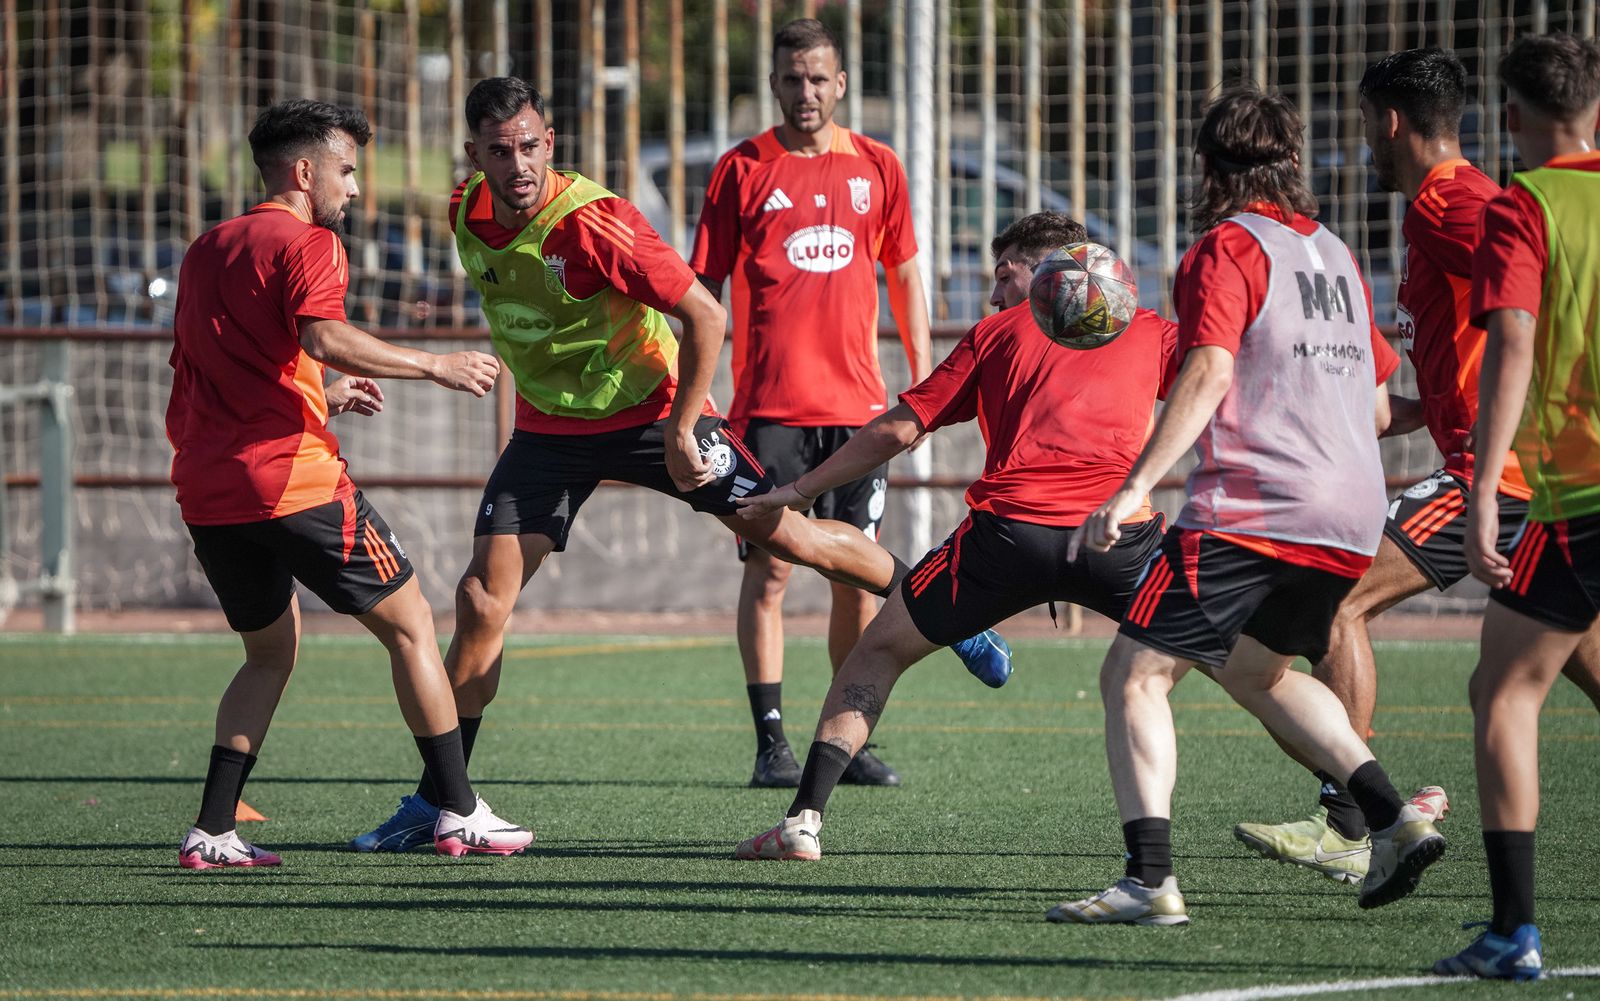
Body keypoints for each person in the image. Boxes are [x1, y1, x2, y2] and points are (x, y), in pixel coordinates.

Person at [349, 77, 1005, 852]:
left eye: (529, 146)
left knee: (786, 535)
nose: (517, 164)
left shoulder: (596, 221)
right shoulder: (465, 209)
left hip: (655, 412)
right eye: (499, 151)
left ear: (549, 142)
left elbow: (705, 313)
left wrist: (684, 425)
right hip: (550, 432)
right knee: (479, 599)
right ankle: (441, 798)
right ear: (474, 155)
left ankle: (941, 602)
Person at [1051, 86, 1444, 926]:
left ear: (1206, 168)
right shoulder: (1335, 255)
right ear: (1293, 162)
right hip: (1350, 516)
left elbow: (1210, 371)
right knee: (1256, 672)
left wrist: (1135, 484)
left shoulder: (1224, 248)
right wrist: (1454, 412)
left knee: (1132, 676)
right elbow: (1381, 408)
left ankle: (1148, 880)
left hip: (1257, 509)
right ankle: (1392, 816)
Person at [1235, 47, 1600, 887]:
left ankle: (1351, 822)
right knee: (1583, 657)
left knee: (1340, 599)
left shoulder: (1449, 203)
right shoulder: (1439, 208)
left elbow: (1537, 290)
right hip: (1524, 472)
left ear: (1390, 122)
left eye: (1366, 122)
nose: (1364, 137)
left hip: (1498, 474)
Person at [728, 212, 1179, 860]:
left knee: (876, 650)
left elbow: (898, 429)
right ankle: (1333, 797)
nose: (994, 296)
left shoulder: (997, 334)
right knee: (1241, 662)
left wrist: (799, 488)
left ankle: (803, 820)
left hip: (1007, 540)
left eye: (1004, 276)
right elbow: (1217, 386)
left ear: (1051, 268)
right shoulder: (1152, 329)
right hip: (1122, 539)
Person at [168, 99, 532, 868]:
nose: (356, 187)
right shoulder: (311, 242)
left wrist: (319, 397)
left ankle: (212, 830)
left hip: (210, 490)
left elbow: (224, 370)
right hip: (294, 482)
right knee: (412, 625)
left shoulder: (205, 249)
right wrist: (435, 364)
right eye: (347, 170)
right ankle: (459, 810)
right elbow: (324, 335)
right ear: (305, 173)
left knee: (269, 653)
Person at [692, 18, 1006, 790]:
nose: (805, 91)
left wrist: (926, 378)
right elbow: (703, 288)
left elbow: (904, 274)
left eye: (818, 78)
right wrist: (696, 388)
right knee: (770, 571)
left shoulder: (877, 165)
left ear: (840, 84)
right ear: (774, 84)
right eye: (791, 78)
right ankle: (770, 741)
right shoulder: (740, 169)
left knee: (854, 577)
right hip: (768, 411)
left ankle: (847, 733)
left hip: (857, 412)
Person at [1434, 33, 1600, 981]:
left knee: (1501, 691)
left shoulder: (1523, 204)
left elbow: (1513, 344)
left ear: (1508, 118)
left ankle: (1513, 932)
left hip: (1578, 490)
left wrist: (1487, 491)